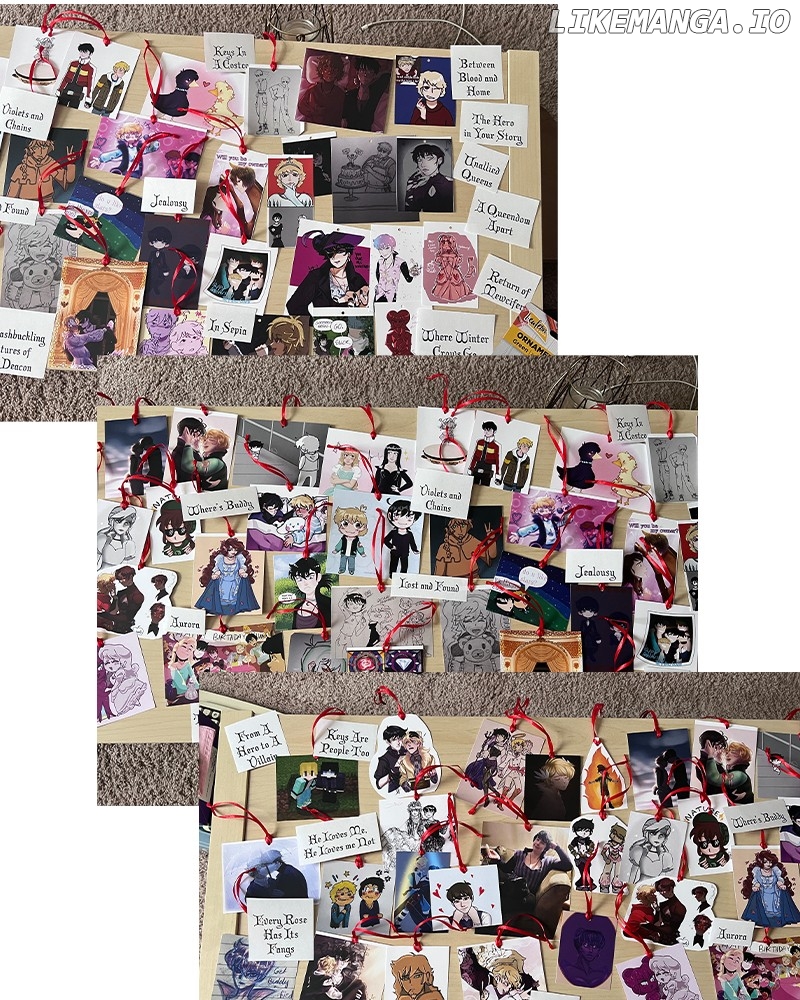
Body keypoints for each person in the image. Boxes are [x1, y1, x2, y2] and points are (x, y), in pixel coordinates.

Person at [287, 230, 369, 313]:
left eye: (340, 251)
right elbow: (293, 306)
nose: (335, 257)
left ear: (349, 254)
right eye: (330, 251)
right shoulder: (316, 277)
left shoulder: (358, 280)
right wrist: (314, 320)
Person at [195, 538, 259, 616]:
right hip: (222, 581)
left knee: (233, 596)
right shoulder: (220, 558)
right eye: (231, 550)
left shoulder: (239, 558)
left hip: (235, 581)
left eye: (235, 550)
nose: (233, 552)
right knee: (222, 594)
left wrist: (242, 572)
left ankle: (234, 607)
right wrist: (216, 574)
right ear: (225, 549)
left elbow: (242, 568)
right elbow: (217, 569)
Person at [297, 52, 347, 127]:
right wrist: (314, 111)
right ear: (321, 70)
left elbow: (342, 115)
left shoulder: (340, 94)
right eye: (326, 67)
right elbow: (301, 106)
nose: (329, 71)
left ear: (338, 72)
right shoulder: (313, 90)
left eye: (334, 68)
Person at [342, 57, 389, 131]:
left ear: (374, 75)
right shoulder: (349, 95)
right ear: (357, 72)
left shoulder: (377, 98)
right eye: (362, 70)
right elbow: (344, 121)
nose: (365, 74)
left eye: (369, 71)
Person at [404, 144, 454, 213]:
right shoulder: (414, 183)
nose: (423, 164)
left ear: (439, 160)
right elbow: (409, 212)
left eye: (429, 159)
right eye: (419, 160)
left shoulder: (450, 183)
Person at [287, 557, 333, 630]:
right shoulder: (297, 608)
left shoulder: (328, 603)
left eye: (310, 577)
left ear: (318, 577)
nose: (305, 583)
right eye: (299, 579)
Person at [245, 848, 309, 900]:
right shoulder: (287, 871)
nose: (267, 867)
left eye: (267, 864)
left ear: (276, 863)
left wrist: (283, 895)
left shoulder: (288, 874)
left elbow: (296, 894)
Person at [627, 817, 675, 885]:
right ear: (647, 834)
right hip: (640, 886)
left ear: (665, 838)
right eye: (653, 833)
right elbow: (633, 873)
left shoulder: (664, 856)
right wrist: (630, 886)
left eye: (661, 835)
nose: (657, 838)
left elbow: (663, 878)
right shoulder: (640, 852)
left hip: (656, 888)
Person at [373, 234, 419, 303]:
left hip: (391, 295)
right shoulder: (379, 262)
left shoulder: (401, 262)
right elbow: (378, 277)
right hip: (379, 295)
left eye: (387, 248)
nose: (384, 252)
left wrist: (412, 272)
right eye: (380, 249)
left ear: (393, 247)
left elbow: (408, 279)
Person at [384, 500, 421, 575]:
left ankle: (403, 577)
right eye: (397, 517)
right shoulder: (393, 532)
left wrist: (415, 550)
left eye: (409, 518)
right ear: (390, 516)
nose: (403, 521)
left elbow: (412, 543)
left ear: (414, 519)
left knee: (404, 566)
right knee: (393, 565)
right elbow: (385, 540)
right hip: (395, 552)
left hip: (405, 553)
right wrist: (391, 546)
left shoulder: (409, 534)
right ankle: (391, 575)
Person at [332, 505, 368, 576]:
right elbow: (339, 544)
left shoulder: (356, 540)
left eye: (357, 525)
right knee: (342, 561)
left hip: (352, 553)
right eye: (345, 524)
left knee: (351, 562)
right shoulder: (343, 539)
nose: (350, 528)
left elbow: (359, 547)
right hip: (343, 553)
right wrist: (336, 550)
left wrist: (362, 552)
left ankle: (351, 570)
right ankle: (342, 569)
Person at [57, 41, 94, 107]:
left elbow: (89, 84)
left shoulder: (90, 68)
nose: (82, 53)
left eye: (85, 52)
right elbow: (66, 77)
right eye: (81, 51)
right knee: (60, 106)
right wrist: (60, 89)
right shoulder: (73, 63)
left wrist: (88, 97)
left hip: (78, 91)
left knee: (73, 107)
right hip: (67, 88)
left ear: (90, 54)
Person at [171, 415, 206, 482]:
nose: (199, 438)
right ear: (187, 431)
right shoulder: (180, 451)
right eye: (197, 433)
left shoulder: (187, 449)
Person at [374, 724, 407, 793]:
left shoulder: (408, 751)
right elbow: (378, 784)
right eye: (394, 740)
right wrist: (391, 774)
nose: (398, 742)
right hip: (397, 792)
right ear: (388, 742)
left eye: (400, 738)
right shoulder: (385, 759)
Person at [469, 421, 501, 486]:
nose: (486, 432)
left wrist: (497, 474)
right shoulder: (479, 442)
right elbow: (474, 456)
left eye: (489, 430)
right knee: (473, 485)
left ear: (494, 431)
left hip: (487, 469)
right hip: (477, 468)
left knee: (485, 486)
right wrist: (471, 468)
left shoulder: (496, 446)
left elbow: (498, 461)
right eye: (485, 430)